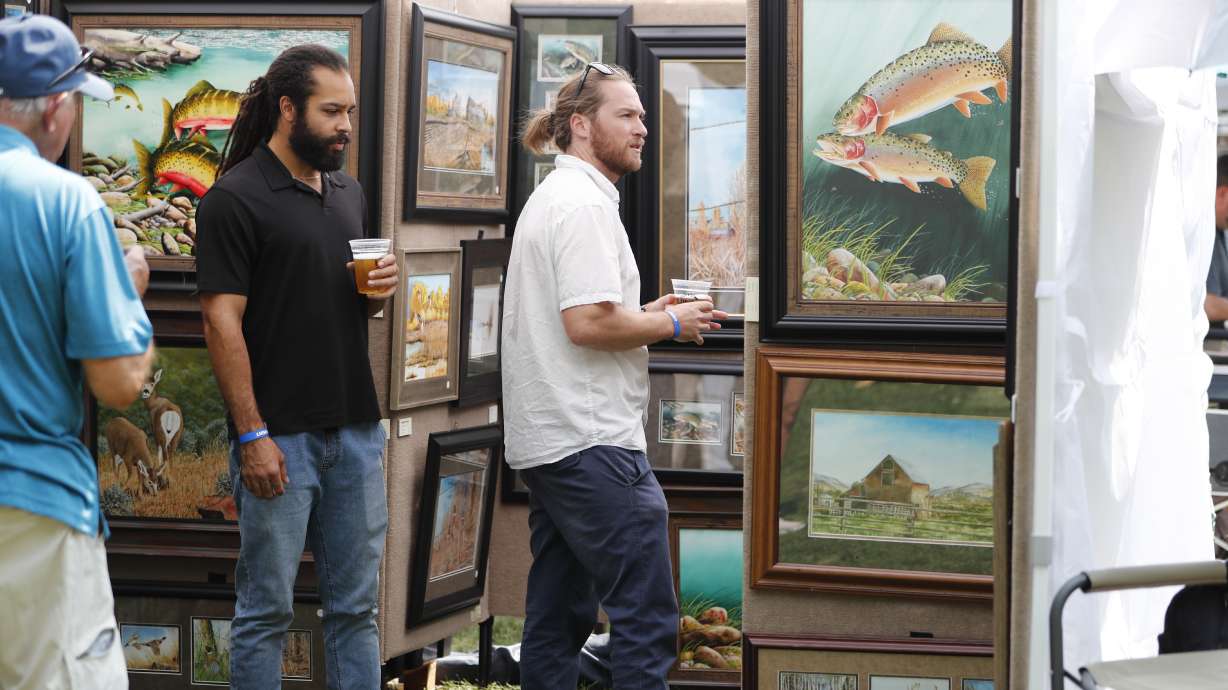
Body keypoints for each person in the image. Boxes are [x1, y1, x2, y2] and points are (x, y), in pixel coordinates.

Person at [503, 62, 726, 690]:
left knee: (556, 620)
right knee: (649, 617)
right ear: (580, 125)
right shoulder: (581, 206)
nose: (642, 129)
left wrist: (648, 314)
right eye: (625, 115)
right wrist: (673, 326)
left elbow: (589, 316)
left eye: (644, 117)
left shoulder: (559, 197)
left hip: (554, 444)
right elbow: (587, 325)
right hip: (592, 441)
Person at [195, 44, 396, 690]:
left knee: (356, 612)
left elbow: (339, 312)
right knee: (265, 613)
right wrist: (251, 435)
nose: (345, 125)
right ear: (288, 109)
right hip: (277, 437)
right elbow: (220, 323)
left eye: (350, 111)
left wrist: (376, 296)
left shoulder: (348, 194)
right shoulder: (234, 200)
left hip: (358, 434)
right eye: (331, 111)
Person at [0, 14, 154, 690]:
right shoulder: (65, 201)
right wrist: (130, 294)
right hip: (33, 506)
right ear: (56, 108)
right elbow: (118, 384)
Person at [1206, 155, 1228, 326]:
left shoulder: (1219, 230)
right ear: (1223, 193)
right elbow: (1208, 305)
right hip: (1209, 346)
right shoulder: (1206, 234)